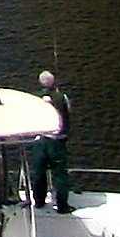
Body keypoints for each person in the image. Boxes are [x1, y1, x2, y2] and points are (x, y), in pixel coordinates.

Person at [35, 70, 74, 213]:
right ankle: (62, 205)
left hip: (40, 141)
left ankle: (39, 201)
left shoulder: (35, 99)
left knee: (39, 172)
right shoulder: (62, 97)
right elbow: (68, 111)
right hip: (56, 142)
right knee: (60, 174)